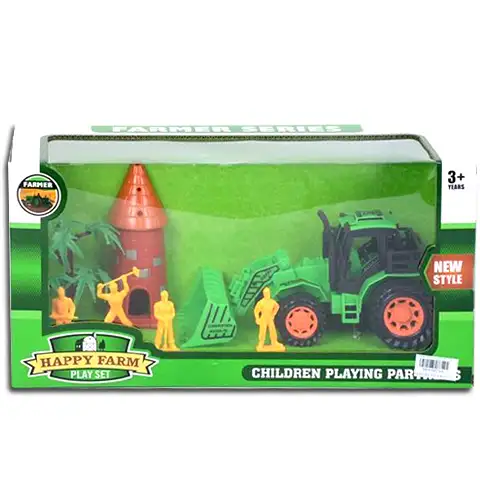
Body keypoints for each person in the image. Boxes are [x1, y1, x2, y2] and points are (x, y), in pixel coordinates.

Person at [254, 287, 285, 352]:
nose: (267, 294)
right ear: (263, 294)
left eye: (268, 293)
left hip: (270, 317)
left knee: (272, 330)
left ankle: (274, 342)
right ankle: (261, 343)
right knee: (262, 331)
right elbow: (256, 311)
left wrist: (273, 314)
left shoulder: (272, 301)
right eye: (265, 293)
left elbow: (277, 306)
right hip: (263, 318)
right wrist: (257, 318)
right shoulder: (261, 302)